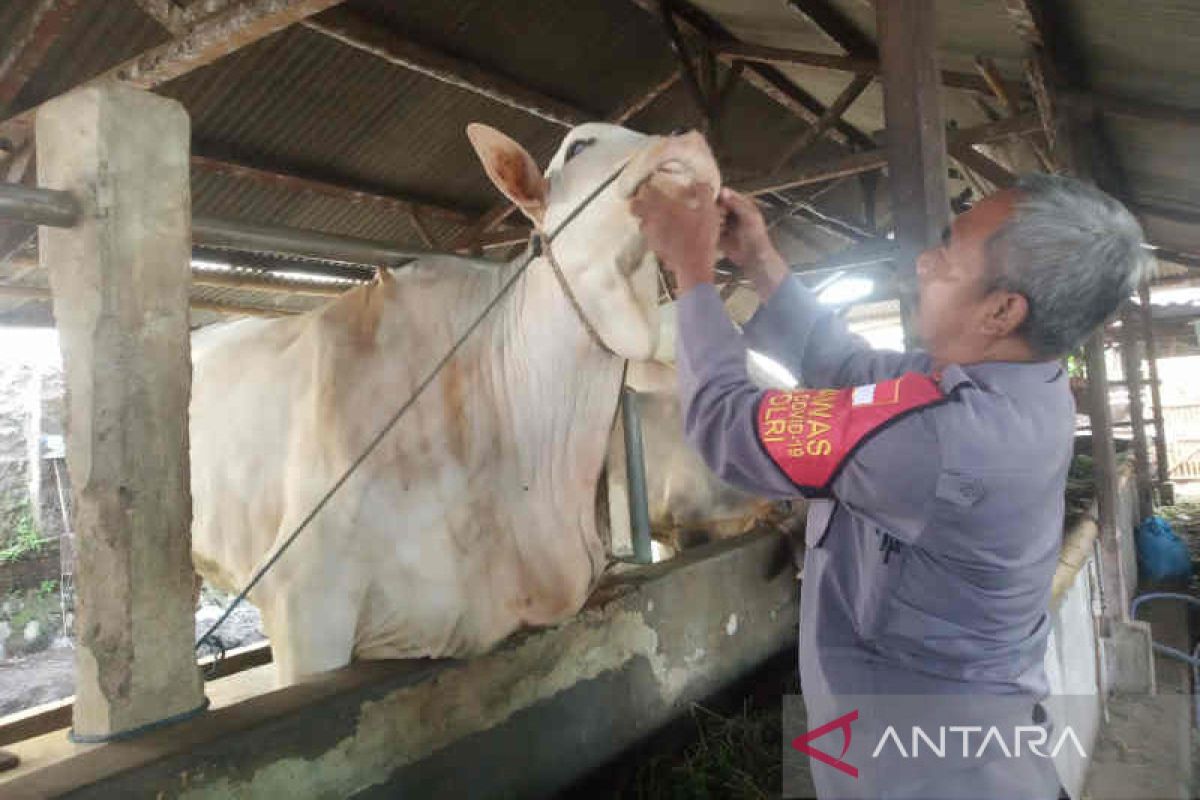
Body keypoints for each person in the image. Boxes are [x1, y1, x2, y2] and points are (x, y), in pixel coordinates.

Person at [631, 174, 1148, 798]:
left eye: (949, 254)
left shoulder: (942, 439)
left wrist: (691, 275)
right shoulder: (1006, 381)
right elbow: (849, 367)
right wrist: (761, 262)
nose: (926, 262)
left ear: (1002, 309)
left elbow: (723, 424)